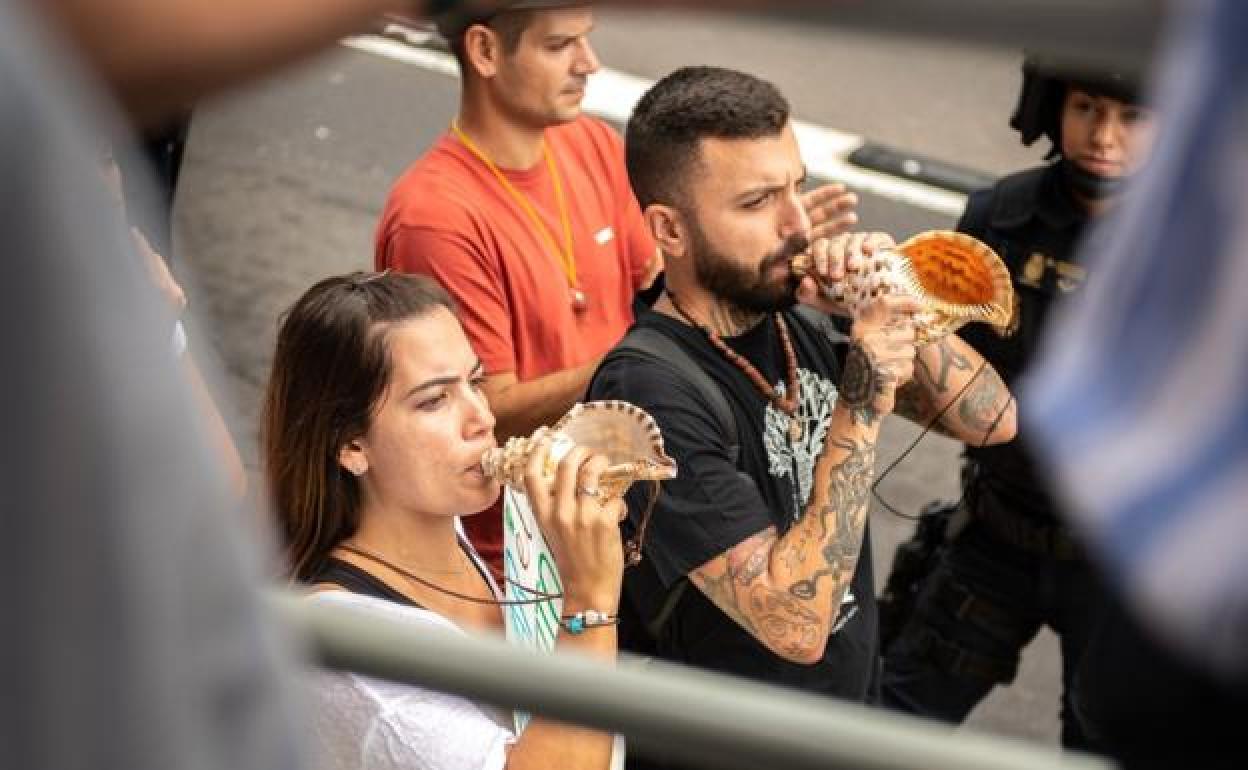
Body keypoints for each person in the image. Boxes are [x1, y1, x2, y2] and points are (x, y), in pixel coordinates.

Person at [586, 66, 1016, 768]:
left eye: (797, 185)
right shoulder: (650, 391)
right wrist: (865, 393)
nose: (796, 223)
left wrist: (884, 296)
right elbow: (795, 625)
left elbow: (991, 418)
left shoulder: (800, 315)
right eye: (757, 201)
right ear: (669, 228)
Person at [375, 1, 858, 573]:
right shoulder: (437, 217)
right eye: (559, 46)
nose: (589, 63)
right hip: (527, 560)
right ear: (484, 50)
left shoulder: (594, 146)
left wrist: (761, 252)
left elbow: (664, 283)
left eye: (587, 39)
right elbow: (487, 417)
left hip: (629, 528)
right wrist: (641, 369)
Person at [878, 54, 1159, 748]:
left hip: (1118, 563)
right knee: (892, 722)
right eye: (1087, 107)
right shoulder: (999, 218)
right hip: (996, 536)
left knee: (1103, 743)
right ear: (1052, 106)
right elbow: (932, 357)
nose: (1104, 135)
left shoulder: (1194, 245)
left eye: (1132, 117)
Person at [263, 271, 628, 770]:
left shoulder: (443, 529)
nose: (482, 417)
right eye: (435, 400)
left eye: (474, 381)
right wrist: (590, 599)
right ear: (351, 446)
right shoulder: (346, 645)